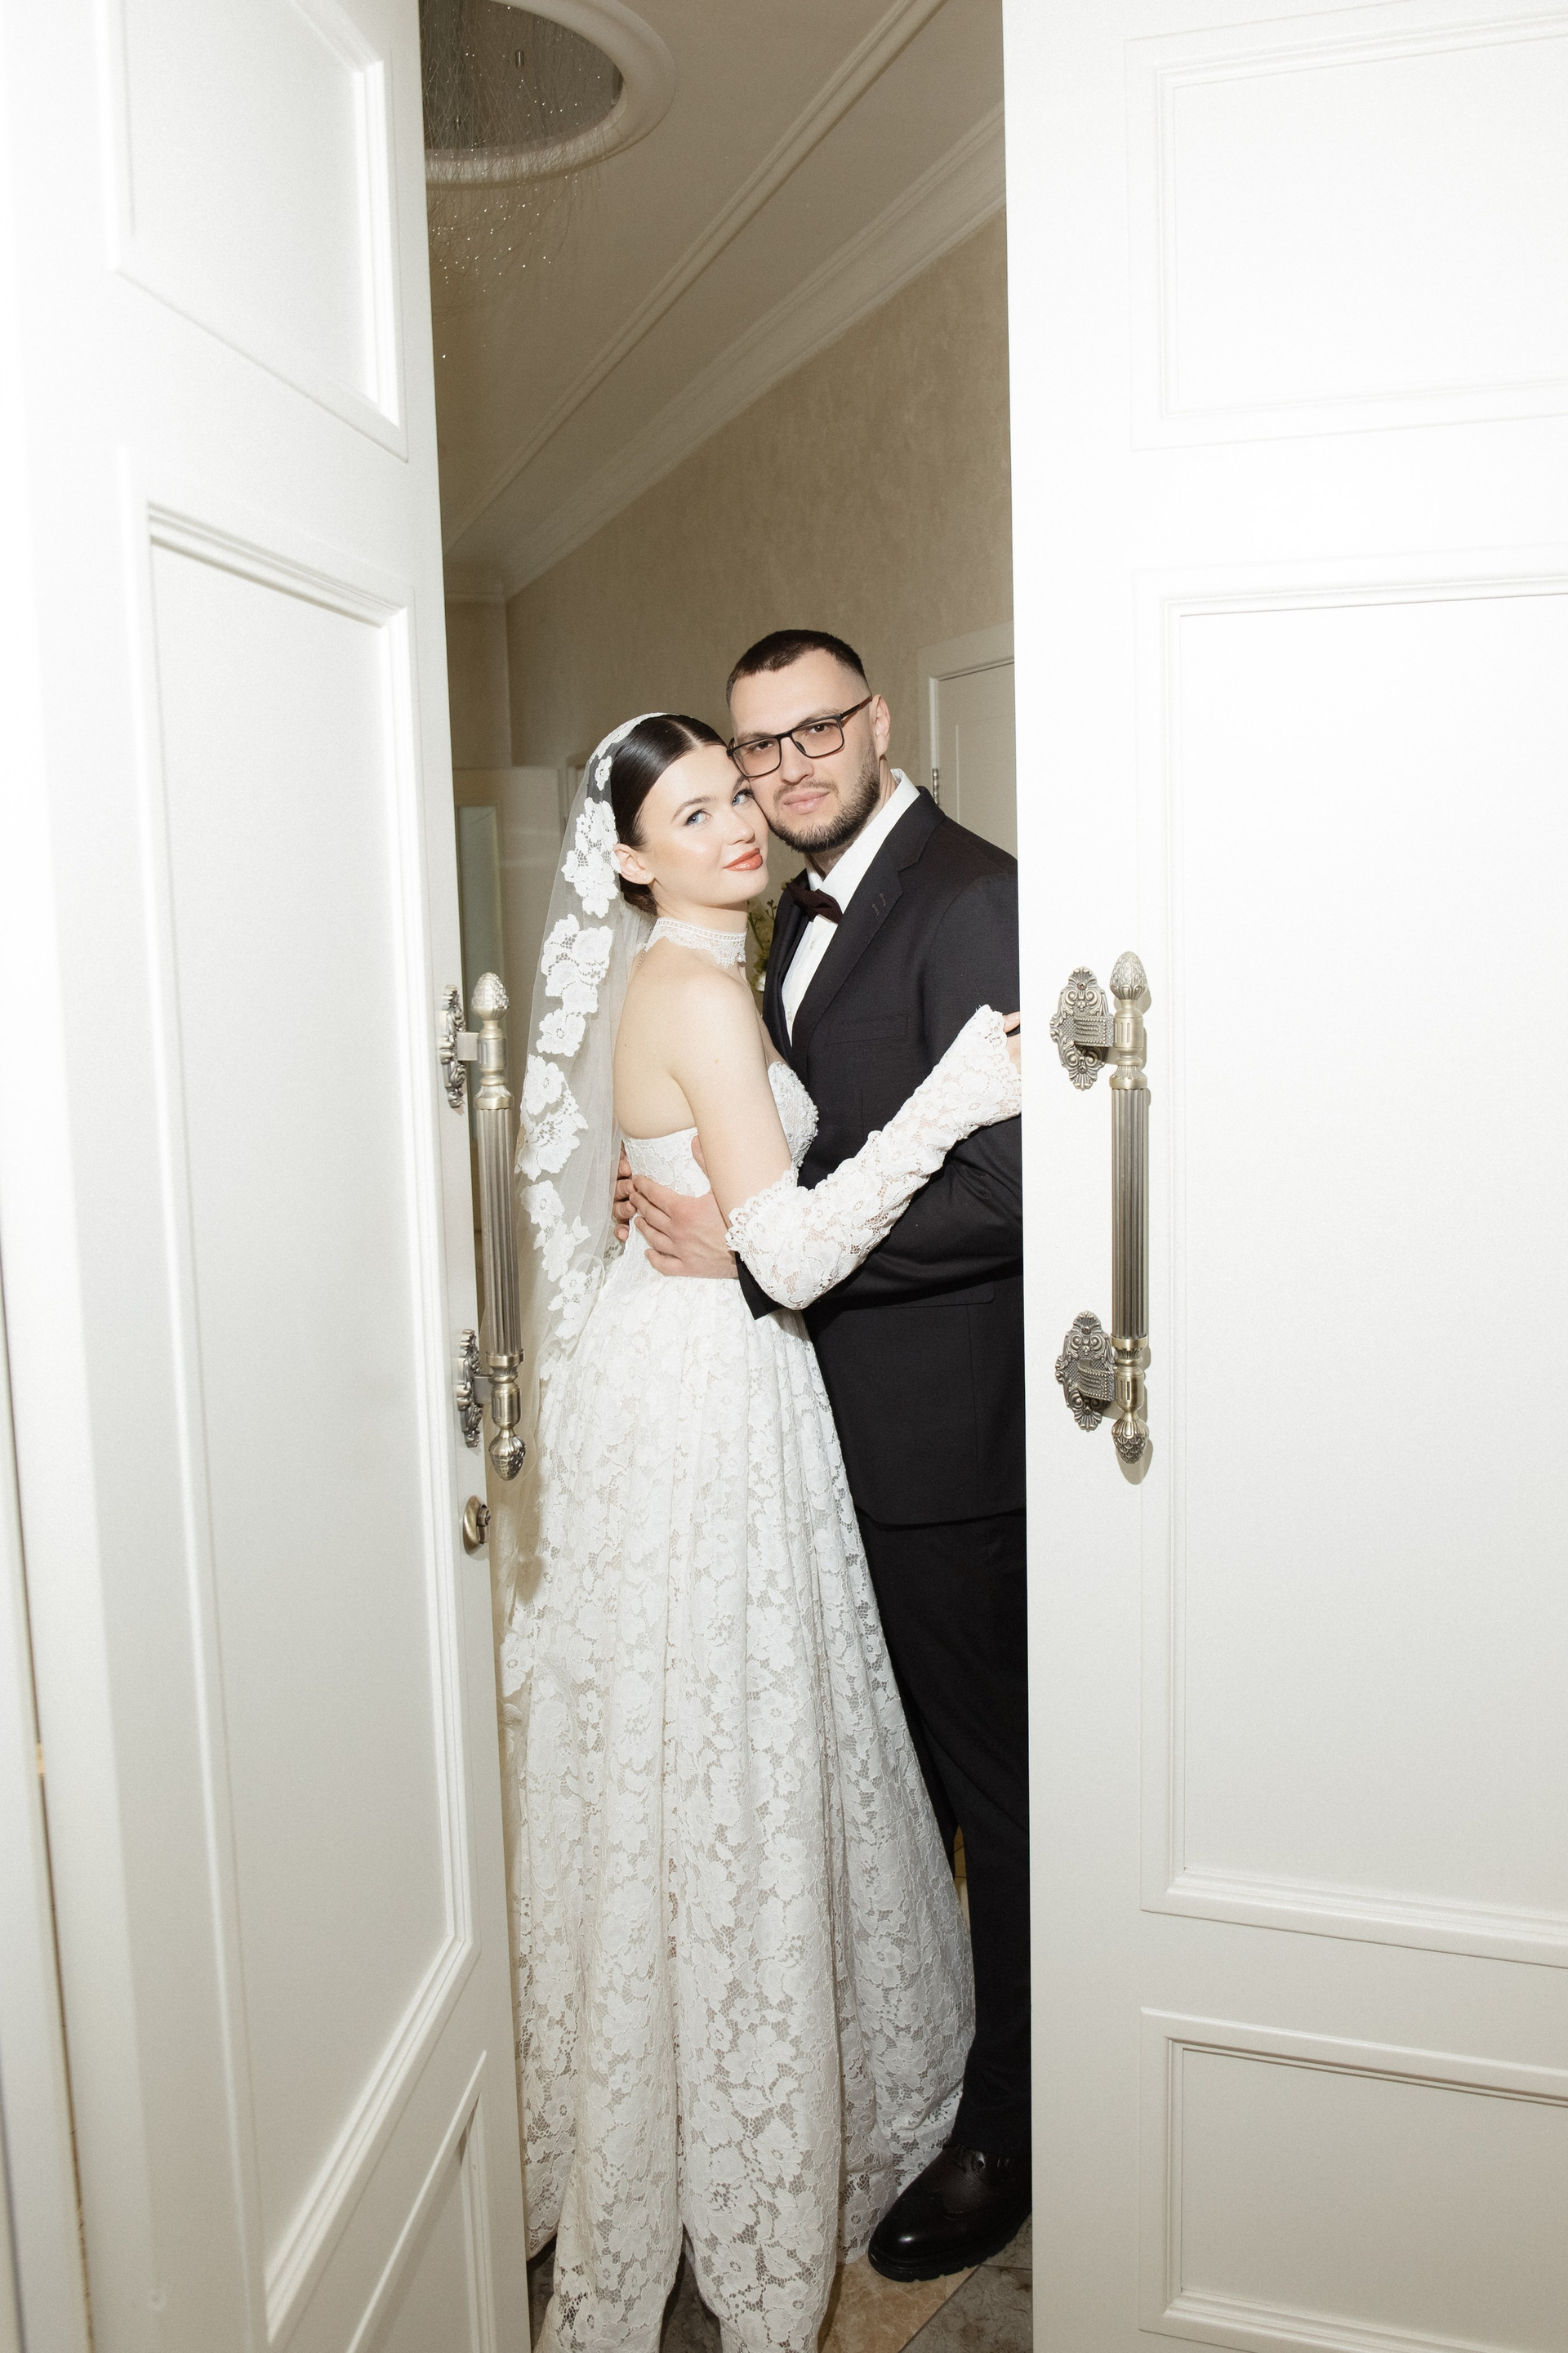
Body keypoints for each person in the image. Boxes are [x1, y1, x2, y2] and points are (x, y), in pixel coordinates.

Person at [494, 711, 1021, 2353]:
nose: (738, 822)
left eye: (738, 794)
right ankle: (735, 2130)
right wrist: (956, 1095)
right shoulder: (703, 987)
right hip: (716, 1387)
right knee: (733, 1740)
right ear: (628, 855)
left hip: (685, 1365)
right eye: (693, 812)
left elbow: (715, 1188)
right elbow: (786, 1254)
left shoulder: (705, 966)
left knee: (693, 1743)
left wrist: (695, 1203)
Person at [621, 633, 1028, 2281]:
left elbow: (1012, 1193)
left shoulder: (974, 895)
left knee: (995, 1793)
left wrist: (766, 1264)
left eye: (815, 733)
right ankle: (896, 2065)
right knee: (878, 1787)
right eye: (755, 750)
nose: (785, 771)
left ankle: (1008, 2129)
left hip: (943, 1435)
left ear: (879, 722)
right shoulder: (774, 916)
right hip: (802, 1432)